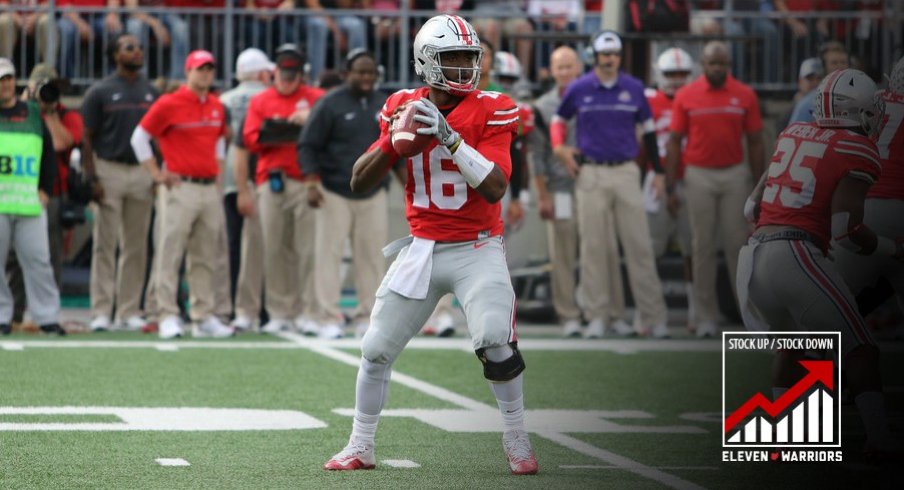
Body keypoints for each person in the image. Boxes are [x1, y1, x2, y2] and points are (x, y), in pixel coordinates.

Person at [323, 14, 538, 475]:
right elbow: (358, 180)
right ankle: (360, 444)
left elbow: (496, 187)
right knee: (375, 348)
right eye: (453, 57)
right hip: (422, 247)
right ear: (426, 62)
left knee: (495, 339)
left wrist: (449, 137)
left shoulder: (495, 107)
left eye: (469, 57)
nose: (465, 67)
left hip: (477, 247)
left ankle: (517, 437)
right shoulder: (402, 104)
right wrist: (393, 144)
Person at [738, 68, 900, 456]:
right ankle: (880, 441)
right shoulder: (859, 148)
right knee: (861, 348)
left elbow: (750, 206)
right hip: (794, 253)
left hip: (754, 258)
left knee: (795, 345)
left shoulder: (792, 133)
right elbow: (847, 231)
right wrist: (891, 249)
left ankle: (784, 433)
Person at [551, 30, 669, 339]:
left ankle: (653, 317)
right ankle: (597, 315)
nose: (610, 58)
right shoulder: (579, 88)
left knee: (639, 246)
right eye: (605, 53)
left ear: (620, 55)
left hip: (627, 171)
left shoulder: (633, 88)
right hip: (591, 173)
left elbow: (650, 130)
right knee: (593, 248)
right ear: (594, 55)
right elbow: (557, 120)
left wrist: (658, 171)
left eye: (614, 52)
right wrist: (559, 147)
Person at [131, 49, 234, 339]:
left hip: (207, 187)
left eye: (210, 69)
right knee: (170, 252)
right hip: (179, 187)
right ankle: (166, 314)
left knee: (205, 255)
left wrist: (218, 177)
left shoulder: (216, 104)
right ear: (188, 71)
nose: (205, 73)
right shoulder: (169, 103)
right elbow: (139, 137)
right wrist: (156, 174)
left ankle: (203, 316)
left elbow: (218, 144)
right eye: (200, 68)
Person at [299, 49, 403, 338]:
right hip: (334, 190)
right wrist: (310, 183)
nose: (367, 78)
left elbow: (397, 147)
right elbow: (308, 145)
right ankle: (327, 317)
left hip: (373, 191)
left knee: (371, 257)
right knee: (328, 256)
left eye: (371, 72)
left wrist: (409, 187)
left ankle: (366, 317)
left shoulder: (385, 104)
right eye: (361, 72)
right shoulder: (329, 104)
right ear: (347, 74)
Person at [665, 41, 764, 338]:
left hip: (735, 173)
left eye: (722, 64)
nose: (717, 69)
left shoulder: (745, 95)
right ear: (703, 65)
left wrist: (760, 187)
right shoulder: (686, 95)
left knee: (738, 245)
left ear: (728, 65)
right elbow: (673, 141)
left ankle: (749, 316)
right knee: (702, 246)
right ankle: (706, 317)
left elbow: (756, 141)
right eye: (712, 64)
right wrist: (671, 184)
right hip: (698, 175)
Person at [530, 45, 625, 337]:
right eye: (560, 67)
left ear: (579, 68)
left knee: (605, 249)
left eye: (570, 66)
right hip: (560, 188)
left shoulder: (593, 95)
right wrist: (542, 195)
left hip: (593, 181)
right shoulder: (543, 106)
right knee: (564, 253)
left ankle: (612, 313)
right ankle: (568, 314)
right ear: (551, 70)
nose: (565, 72)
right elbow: (538, 154)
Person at [242, 44, 326, 336]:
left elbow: (328, 134)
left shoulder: (317, 99)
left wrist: (307, 123)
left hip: (308, 181)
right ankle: (279, 311)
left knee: (308, 250)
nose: (287, 79)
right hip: (273, 180)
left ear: (300, 75)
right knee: (274, 248)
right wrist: (282, 128)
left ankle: (308, 312)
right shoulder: (261, 100)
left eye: (292, 74)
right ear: (275, 72)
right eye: (283, 73)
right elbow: (251, 138)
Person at [82, 34, 158, 332]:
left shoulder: (151, 92)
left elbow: (158, 137)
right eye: (129, 47)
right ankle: (101, 310)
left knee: (136, 246)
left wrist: (155, 173)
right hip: (109, 169)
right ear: (115, 55)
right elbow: (87, 137)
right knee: (105, 244)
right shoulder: (99, 91)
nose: (137, 51)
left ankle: (128, 309)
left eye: (138, 47)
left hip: (141, 172)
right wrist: (92, 177)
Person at [835, 56, 904, 318]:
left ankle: (814, 358)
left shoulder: (873, 101)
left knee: (835, 313)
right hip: (897, 206)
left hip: (860, 208)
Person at [0, 57, 64, 336]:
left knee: (39, 261)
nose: (5, 84)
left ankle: (47, 317)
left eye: (9, 78)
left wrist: (45, 191)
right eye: (1, 79)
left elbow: (49, 154)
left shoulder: (34, 113)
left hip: (28, 202)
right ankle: (2, 317)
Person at [642, 47, 695, 336]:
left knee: (694, 249)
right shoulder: (648, 99)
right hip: (655, 179)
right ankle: (648, 314)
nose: (676, 79)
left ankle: (697, 313)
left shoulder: (697, 98)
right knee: (649, 249)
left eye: (681, 73)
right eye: (670, 73)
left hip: (691, 178)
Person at [220, 47, 274, 332]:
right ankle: (263, 308)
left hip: (227, 178)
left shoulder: (223, 100)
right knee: (259, 249)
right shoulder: (267, 98)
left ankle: (231, 306)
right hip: (256, 177)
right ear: (262, 73)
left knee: (230, 247)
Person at [124, 0, 190, 80]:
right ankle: (139, 77)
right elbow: (132, 9)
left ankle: (177, 80)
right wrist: (155, 24)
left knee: (181, 28)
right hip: (141, 14)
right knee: (135, 27)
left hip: (165, 13)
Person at [303, 0, 367, 81]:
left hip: (337, 15)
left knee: (356, 25)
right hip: (312, 14)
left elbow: (344, 6)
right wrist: (336, 32)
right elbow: (313, 6)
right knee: (319, 26)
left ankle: (359, 77)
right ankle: (316, 79)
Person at [788, 41, 850, 125]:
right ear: (824, 67)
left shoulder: (858, 97)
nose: (840, 66)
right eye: (834, 63)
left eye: (843, 62)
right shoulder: (809, 103)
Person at [58, 0, 123, 79]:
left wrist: (112, 14)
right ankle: (68, 81)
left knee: (115, 29)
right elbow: (65, 4)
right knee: (66, 30)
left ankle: (114, 80)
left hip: (100, 15)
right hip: (71, 17)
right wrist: (80, 24)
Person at [776, 57, 823, 132]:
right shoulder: (786, 116)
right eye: (810, 79)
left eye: (819, 79)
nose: (815, 83)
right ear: (800, 81)